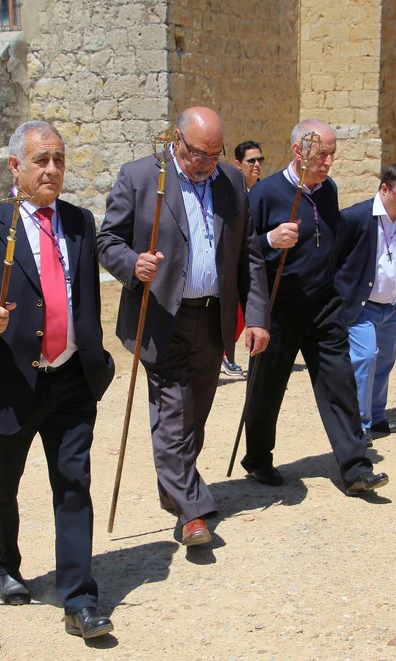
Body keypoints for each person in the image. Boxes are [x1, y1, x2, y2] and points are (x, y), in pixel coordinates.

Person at [0, 121, 116, 639]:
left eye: (59, 160)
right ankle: (3, 563)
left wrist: (92, 359)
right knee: (1, 487)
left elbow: (83, 298)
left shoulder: (81, 223)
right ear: (15, 166)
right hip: (10, 382)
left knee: (73, 485)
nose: (52, 170)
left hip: (69, 382)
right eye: (41, 160)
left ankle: (80, 599)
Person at [97, 107, 270, 548]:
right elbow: (108, 241)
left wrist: (255, 316)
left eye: (214, 155)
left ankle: (176, 492)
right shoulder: (140, 178)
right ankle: (194, 511)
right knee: (172, 414)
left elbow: (248, 252)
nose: (206, 163)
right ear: (177, 140)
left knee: (194, 416)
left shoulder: (230, 181)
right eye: (198, 154)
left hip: (212, 318)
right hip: (160, 315)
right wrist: (133, 264)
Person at [240, 118, 388, 495]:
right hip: (278, 308)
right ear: (298, 152)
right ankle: (257, 459)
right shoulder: (266, 194)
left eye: (331, 155)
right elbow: (241, 251)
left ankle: (355, 467)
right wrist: (270, 239)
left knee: (339, 385)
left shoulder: (328, 190)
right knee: (266, 389)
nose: (328, 162)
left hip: (323, 307)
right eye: (322, 154)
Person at [337, 164, 396, 440]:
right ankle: (359, 427)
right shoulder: (354, 217)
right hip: (363, 306)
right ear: (385, 189)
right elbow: (336, 260)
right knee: (364, 358)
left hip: (393, 305)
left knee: (384, 361)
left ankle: (377, 417)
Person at [222, 140, 266, 377]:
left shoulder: (264, 191)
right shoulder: (230, 193)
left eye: (260, 160)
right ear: (238, 164)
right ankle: (224, 353)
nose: (257, 165)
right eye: (251, 161)